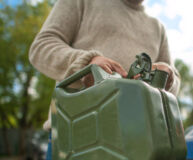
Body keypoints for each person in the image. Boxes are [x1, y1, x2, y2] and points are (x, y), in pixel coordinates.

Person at [28, 0, 180, 159]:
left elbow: (172, 85)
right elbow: (41, 47)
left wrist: (168, 78)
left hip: (140, 142)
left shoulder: (158, 28)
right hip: (76, 139)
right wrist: (86, 62)